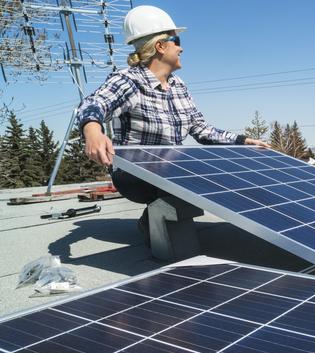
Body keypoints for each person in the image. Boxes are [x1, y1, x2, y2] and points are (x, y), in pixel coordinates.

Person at [77, 5, 269, 239]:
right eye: (175, 40)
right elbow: (93, 104)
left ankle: (160, 219)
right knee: (188, 172)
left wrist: (242, 141)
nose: (181, 47)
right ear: (160, 46)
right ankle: (154, 227)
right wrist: (92, 131)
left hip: (171, 168)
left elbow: (200, 128)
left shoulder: (179, 86)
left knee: (212, 167)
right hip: (134, 175)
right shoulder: (129, 80)